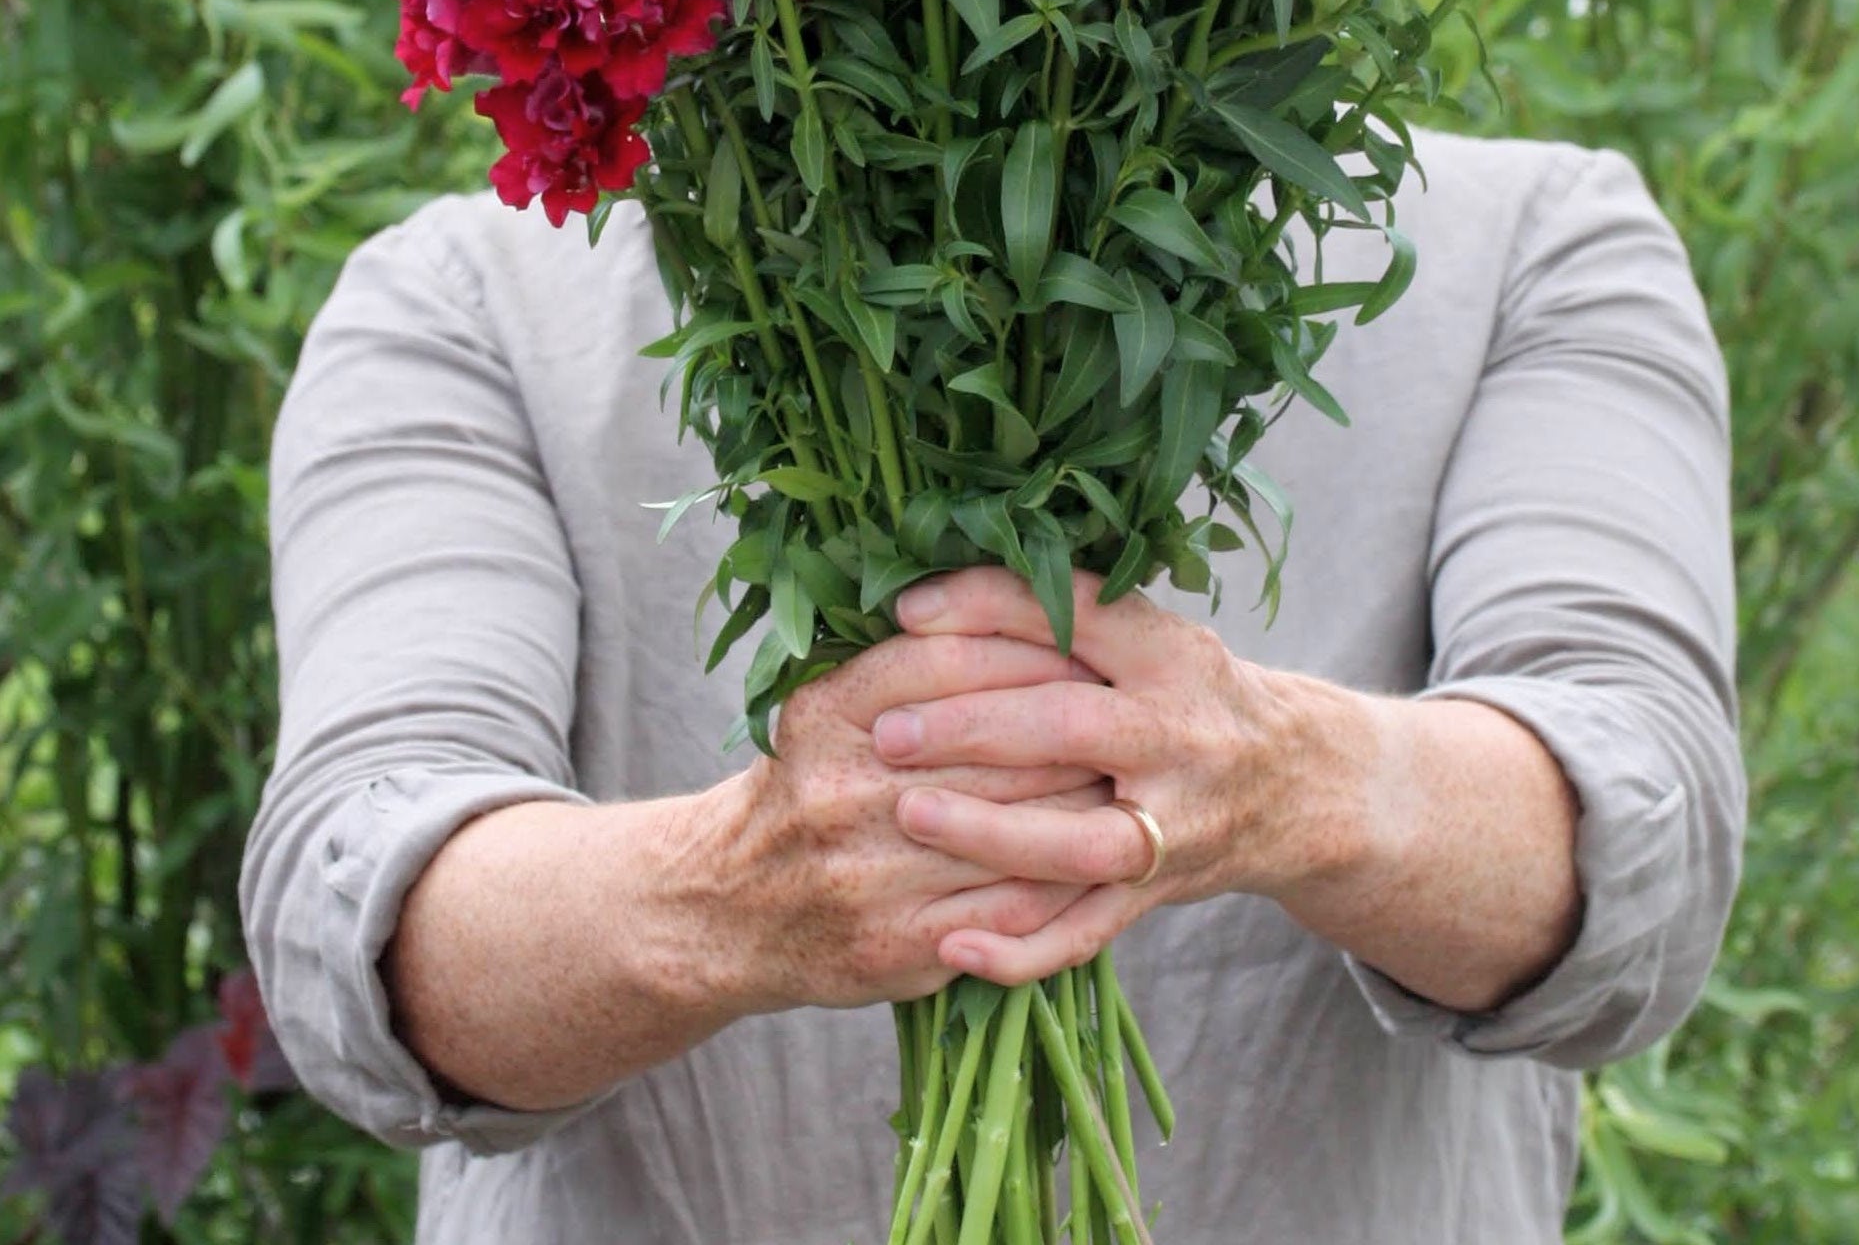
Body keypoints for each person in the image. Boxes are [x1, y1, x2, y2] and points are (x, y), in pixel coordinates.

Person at [243, 129, 1743, 1244]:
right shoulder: (471, 297)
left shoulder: (1535, 242)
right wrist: (736, 889)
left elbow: (1646, 856)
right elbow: (358, 926)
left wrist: (1281, 782)